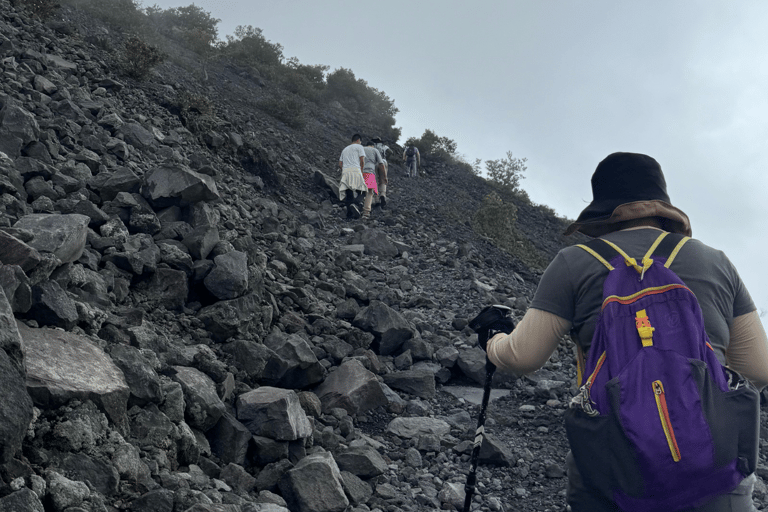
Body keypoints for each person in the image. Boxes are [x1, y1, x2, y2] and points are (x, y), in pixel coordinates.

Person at [484, 152, 768, 512]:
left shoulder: (574, 262)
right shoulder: (716, 261)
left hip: (614, 470)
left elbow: (523, 356)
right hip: (714, 468)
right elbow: (759, 368)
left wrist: (494, 340)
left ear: (603, 212)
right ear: (663, 207)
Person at [338, 134, 367, 218]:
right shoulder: (359, 147)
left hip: (345, 172)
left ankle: (349, 215)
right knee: (362, 191)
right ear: (358, 140)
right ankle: (356, 203)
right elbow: (362, 160)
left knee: (349, 194)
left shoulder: (345, 149)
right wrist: (361, 171)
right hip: (355, 170)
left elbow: (340, 164)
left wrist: (344, 170)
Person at [361, 140, 385, 219]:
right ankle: (366, 212)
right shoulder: (375, 150)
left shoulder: (361, 149)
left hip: (359, 172)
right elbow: (381, 164)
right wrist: (384, 176)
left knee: (359, 190)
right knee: (370, 192)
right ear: (373, 145)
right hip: (369, 172)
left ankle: (357, 205)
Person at [371, 136, 390, 208]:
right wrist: (386, 158)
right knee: (383, 180)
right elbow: (391, 152)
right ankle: (382, 195)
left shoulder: (372, 146)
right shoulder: (384, 146)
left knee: (375, 181)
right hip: (383, 162)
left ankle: (376, 199)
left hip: (374, 163)